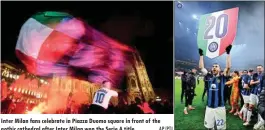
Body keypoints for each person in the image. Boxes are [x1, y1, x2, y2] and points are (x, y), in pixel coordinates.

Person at [199, 45, 232, 130]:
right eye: (213, 66)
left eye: (216, 66)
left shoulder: (222, 77)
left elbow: (228, 67)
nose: (214, 68)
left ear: (220, 69)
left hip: (220, 106)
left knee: (221, 128)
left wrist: (228, 53)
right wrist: (201, 55)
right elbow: (201, 67)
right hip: (209, 106)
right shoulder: (208, 76)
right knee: (209, 127)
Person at [253, 65, 264, 129]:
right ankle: (259, 122)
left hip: (262, 95)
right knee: (259, 109)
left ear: (263, 69)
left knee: (262, 110)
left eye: (260, 68)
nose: (259, 69)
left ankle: (260, 124)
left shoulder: (263, 75)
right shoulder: (258, 76)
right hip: (259, 94)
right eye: (258, 68)